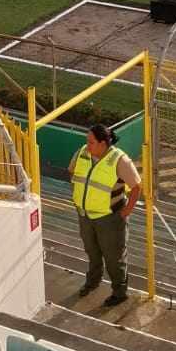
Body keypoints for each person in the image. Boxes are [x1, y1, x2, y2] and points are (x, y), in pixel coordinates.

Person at [69, 122, 141, 306]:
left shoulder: (119, 160)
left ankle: (119, 292)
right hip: (85, 216)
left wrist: (126, 212)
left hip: (109, 218)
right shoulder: (82, 152)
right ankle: (92, 282)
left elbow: (136, 187)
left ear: (103, 144)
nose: (87, 145)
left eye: (91, 142)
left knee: (114, 258)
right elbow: (72, 172)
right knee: (92, 252)